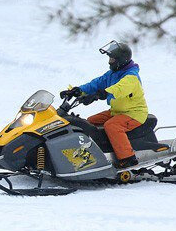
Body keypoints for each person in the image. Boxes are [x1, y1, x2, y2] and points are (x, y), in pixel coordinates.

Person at [60, 40, 148, 169]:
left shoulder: (131, 77)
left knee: (112, 126)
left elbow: (117, 89)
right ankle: (101, 152)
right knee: (89, 122)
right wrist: (77, 90)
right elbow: (96, 83)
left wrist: (99, 95)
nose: (109, 62)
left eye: (112, 59)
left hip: (133, 113)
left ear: (120, 60)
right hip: (117, 111)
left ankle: (127, 158)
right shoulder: (113, 73)